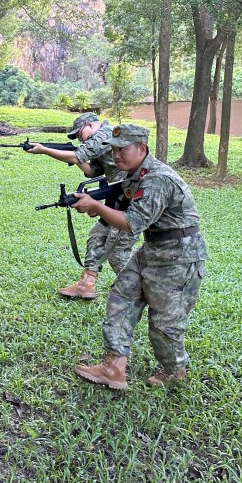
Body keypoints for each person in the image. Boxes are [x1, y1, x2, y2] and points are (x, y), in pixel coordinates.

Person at [70, 124, 207, 389]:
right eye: (114, 149)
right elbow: (122, 204)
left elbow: (133, 223)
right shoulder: (133, 175)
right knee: (121, 296)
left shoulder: (158, 178)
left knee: (165, 322)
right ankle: (113, 367)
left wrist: (96, 207)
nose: (117, 155)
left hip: (179, 256)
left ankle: (174, 370)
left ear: (142, 148)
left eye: (123, 149)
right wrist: (98, 204)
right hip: (152, 249)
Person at [25, 112, 138, 300]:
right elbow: (91, 170)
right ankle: (86, 284)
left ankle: (135, 289)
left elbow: (78, 156)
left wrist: (45, 150)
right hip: (117, 198)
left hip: (131, 200)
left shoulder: (105, 133)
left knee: (116, 250)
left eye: (81, 134)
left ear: (91, 125)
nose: (80, 139)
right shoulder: (101, 144)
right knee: (97, 235)